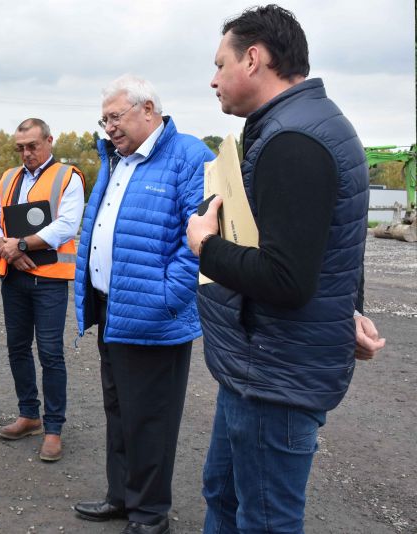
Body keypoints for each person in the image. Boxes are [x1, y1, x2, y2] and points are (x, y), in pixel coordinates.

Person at [186, 5, 386, 532]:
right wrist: (348, 310)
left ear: (253, 59)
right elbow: (333, 244)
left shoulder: (293, 140)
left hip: (275, 376)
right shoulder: (304, 125)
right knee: (223, 495)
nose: (213, 79)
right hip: (259, 367)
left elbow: (286, 279)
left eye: (219, 63)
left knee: (266, 520)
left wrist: (204, 245)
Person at [73, 75, 215, 534]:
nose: (109, 126)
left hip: (154, 313)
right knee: (119, 410)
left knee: (151, 419)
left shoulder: (189, 157)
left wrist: (167, 297)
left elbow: (200, 239)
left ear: (148, 109)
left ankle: (151, 514)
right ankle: (122, 496)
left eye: (115, 116)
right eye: (105, 119)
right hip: (111, 307)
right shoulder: (115, 159)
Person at [0, 118, 85, 462]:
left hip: (50, 279)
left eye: (32, 146)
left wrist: (20, 246)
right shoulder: (8, 178)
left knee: (51, 352)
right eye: (21, 148)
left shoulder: (68, 177)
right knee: (17, 347)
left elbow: (67, 225)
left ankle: (54, 429)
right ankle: (29, 415)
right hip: (14, 277)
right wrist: (5, 248)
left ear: (49, 141)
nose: (26, 153)